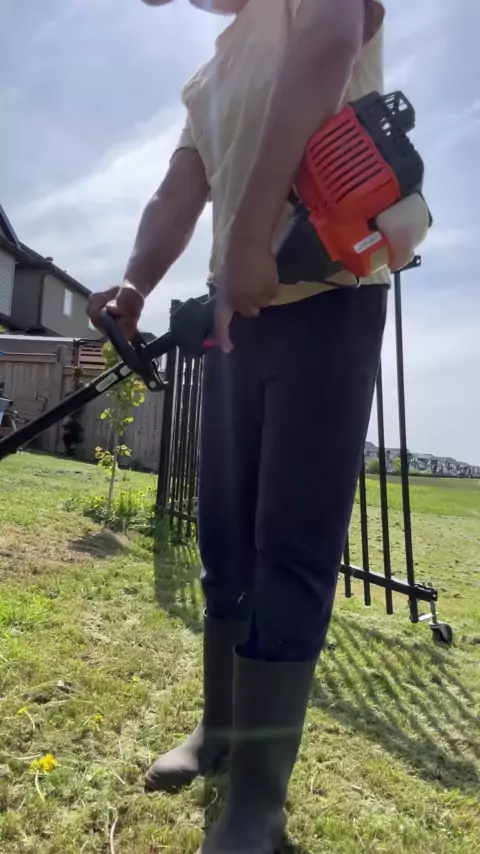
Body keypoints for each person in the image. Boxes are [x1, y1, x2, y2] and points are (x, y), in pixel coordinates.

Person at [88, 2, 406, 852]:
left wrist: (251, 235)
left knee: (290, 545)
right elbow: (179, 191)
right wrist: (135, 281)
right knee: (225, 537)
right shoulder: (206, 80)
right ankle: (220, 729)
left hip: (331, 298)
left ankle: (261, 800)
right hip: (237, 317)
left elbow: (329, 49)